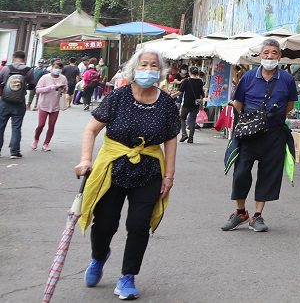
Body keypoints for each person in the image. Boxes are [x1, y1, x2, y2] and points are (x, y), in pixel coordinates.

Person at [75, 49, 180, 300]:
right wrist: (85, 160)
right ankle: (99, 257)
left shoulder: (166, 103)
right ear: (134, 69)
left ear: (161, 71)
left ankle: (127, 277)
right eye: (144, 64)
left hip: (150, 169)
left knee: (138, 224)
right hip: (114, 166)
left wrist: (169, 176)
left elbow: (171, 140)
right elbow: (91, 130)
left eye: (154, 65)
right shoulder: (118, 97)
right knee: (105, 224)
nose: (149, 69)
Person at [222, 38, 297, 233]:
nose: (270, 56)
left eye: (274, 53)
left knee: (268, 175)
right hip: (248, 135)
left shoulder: (287, 79)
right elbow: (238, 103)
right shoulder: (248, 77)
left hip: (274, 135)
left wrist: (270, 119)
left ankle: (257, 216)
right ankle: (240, 212)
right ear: (260, 55)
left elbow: (289, 105)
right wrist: (247, 123)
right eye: (266, 53)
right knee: (240, 173)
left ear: (279, 56)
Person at [0, 51, 33, 157]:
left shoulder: (6, 68)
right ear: (24, 58)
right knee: (16, 127)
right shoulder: (29, 70)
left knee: (1, 126)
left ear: (13, 57)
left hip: (5, 101)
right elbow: (32, 86)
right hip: (19, 102)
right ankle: (14, 152)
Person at [32, 59, 68, 151]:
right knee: (41, 125)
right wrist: (51, 87)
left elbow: (66, 89)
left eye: (60, 68)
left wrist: (63, 89)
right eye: (56, 68)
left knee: (51, 125)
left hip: (55, 106)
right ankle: (36, 139)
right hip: (44, 104)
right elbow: (38, 90)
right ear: (51, 67)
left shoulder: (63, 78)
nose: (58, 70)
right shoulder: (45, 77)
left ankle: (46, 143)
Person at [178, 67, 206, 144]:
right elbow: (202, 94)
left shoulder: (186, 81)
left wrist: (172, 95)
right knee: (193, 120)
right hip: (195, 104)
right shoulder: (200, 81)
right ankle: (191, 138)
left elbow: (180, 92)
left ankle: (184, 134)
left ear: (190, 72)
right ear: (197, 73)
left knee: (182, 118)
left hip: (186, 103)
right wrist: (201, 104)